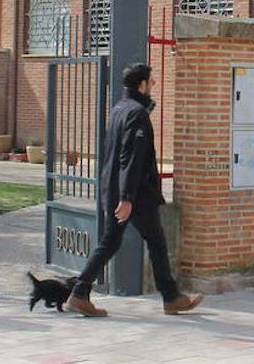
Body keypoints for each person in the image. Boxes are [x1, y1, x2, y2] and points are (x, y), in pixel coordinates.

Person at [67, 63, 203, 318]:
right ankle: (171, 297)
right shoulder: (137, 113)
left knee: (111, 242)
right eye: (151, 80)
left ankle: (80, 292)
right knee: (156, 242)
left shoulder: (119, 109)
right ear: (141, 83)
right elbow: (131, 158)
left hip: (116, 189)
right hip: (135, 194)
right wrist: (127, 198)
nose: (153, 84)